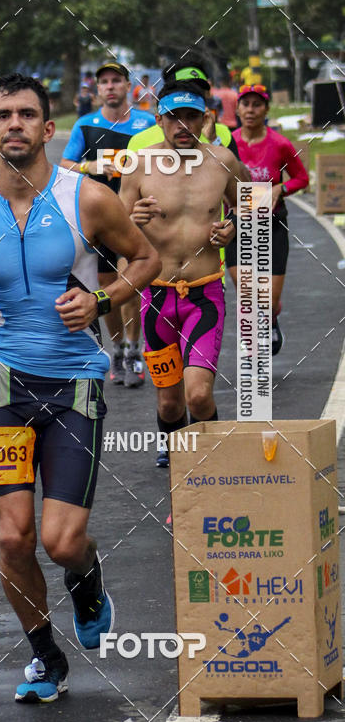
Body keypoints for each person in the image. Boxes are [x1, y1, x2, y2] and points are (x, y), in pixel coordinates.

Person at [0, 73, 160, 703]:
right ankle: (47, 659)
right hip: (3, 381)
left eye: (28, 114)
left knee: (60, 540)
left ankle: (87, 582)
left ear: (48, 128)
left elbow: (147, 259)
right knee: (12, 536)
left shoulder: (88, 198)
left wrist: (104, 298)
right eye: (5, 115)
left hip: (75, 382)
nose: (16, 124)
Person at [120, 81, 240, 467]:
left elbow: (251, 209)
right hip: (155, 298)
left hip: (205, 297)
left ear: (206, 118)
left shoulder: (223, 161)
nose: (183, 125)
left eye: (192, 116)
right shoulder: (139, 164)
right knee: (170, 404)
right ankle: (176, 454)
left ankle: (212, 463)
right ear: (160, 120)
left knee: (198, 396)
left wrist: (233, 227)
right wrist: (132, 221)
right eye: (174, 117)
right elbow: (116, 225)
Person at [60, 62, 156, 387]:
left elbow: (163, 161)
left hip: (137, 216)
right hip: (100, 220)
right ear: (97, 89)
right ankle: (117, 347)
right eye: (105, 82)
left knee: (133, 285)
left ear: (129, 85)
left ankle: (135, 349)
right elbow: (64, 165)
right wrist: (94, 165)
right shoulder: (86, 125)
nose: (111, 86)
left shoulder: (147, 123)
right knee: (108, 289)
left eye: (117, 80)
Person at [224, 84, 309, 355]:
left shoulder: (280, 144)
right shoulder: (229, 142)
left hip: (272, 224)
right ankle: (254, 343)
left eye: (257, 105)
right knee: (248, 295)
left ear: (266, 109)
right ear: (237, 109)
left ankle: (271, 318)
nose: (250, 110)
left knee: (268, 300)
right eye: (245, 104)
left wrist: (279, 188)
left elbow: (301, 178)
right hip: (238, 224)